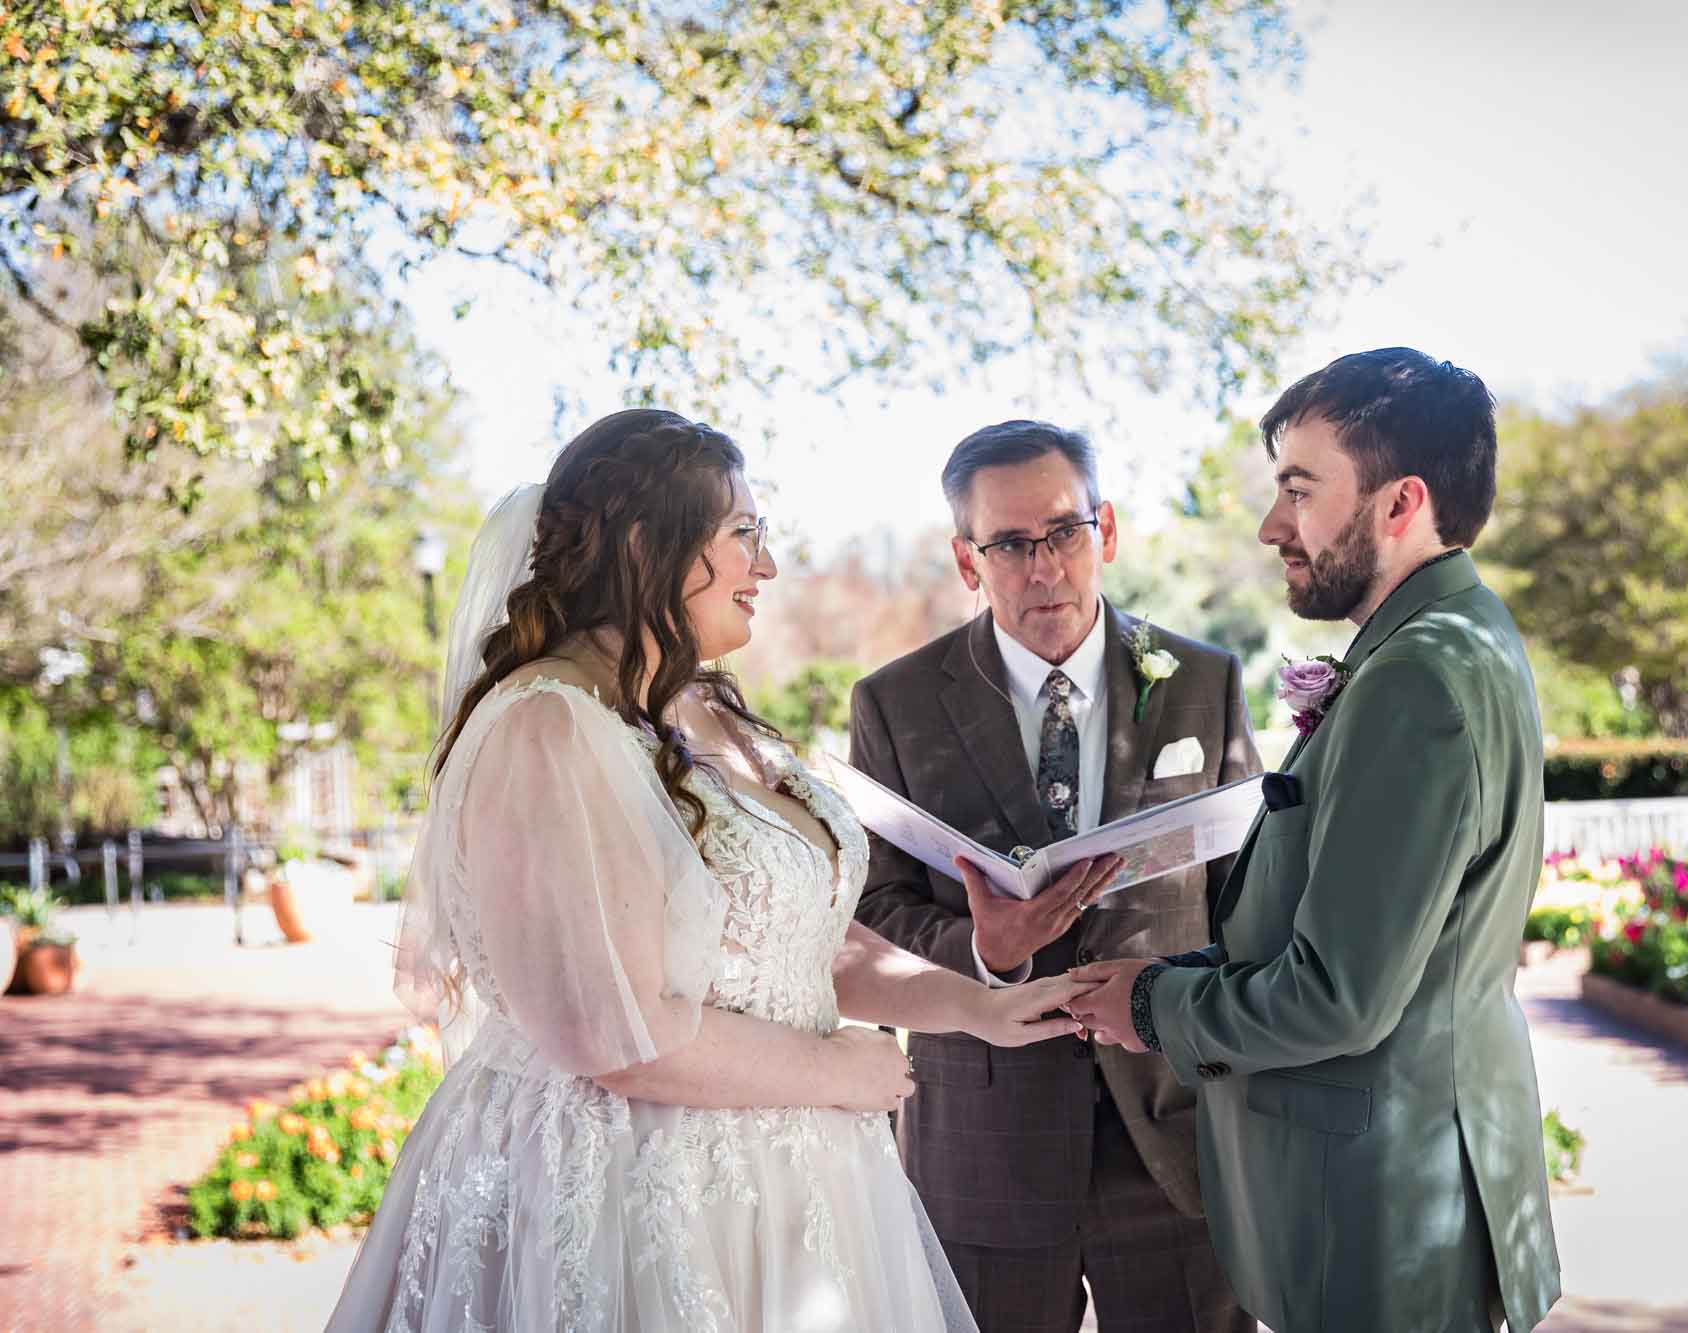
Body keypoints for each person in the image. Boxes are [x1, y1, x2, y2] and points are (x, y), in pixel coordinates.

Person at [326, 408, 1089, 1333]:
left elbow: (791, 932)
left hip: (799, 1192)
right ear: (650, 544)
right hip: (635, 1201)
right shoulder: (548, 726)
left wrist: (982, 1006)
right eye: (744, 535)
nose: (765, 567)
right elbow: (615, 1034)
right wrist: (839, 1071)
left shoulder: (697, 711)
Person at [1068, 349, 1565, 1332]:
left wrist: (1151, 1002)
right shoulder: (1459, 635)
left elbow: (1338, 998)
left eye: (1297, 490)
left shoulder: (1414, 679)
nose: (1269, 526)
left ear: (1398, 503)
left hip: (1373, 1213)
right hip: (1402, 1183)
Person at [848, 420, 1261, 1333]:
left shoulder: (1203, 680)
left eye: (1064, 532)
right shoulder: (895, 703)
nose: (1043, 568)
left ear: (1105, 531)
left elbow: (1249, 899)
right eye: (1009, 544)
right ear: (969, 561)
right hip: (984, 1145)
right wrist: (981, 952)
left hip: (1173, 1133)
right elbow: (871, 912)